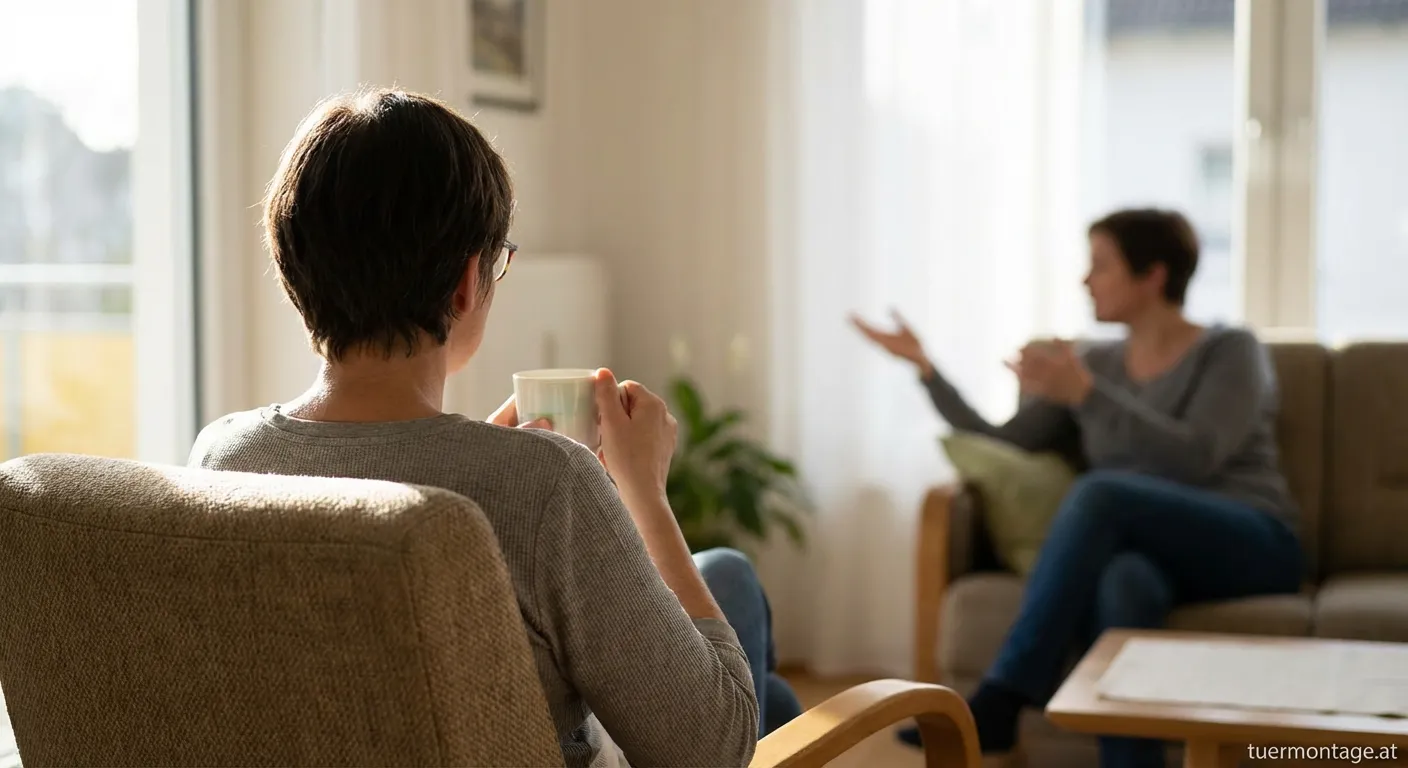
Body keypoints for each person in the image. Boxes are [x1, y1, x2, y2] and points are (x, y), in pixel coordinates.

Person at [187, 87, 800, 768]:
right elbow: (712, 750)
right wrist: (646, 495)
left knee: (741, 615)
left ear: (290, 265)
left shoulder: (224, 456)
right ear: (464, 282)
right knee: (737, 596)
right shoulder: (547, 482)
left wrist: (466, 476)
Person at [853, 209, 1305, 768]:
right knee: (1123, 583)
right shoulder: (1097, 363)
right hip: (1157, 557)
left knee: (1101, 493)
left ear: (1152, 276)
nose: (1085, 280)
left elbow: (1195, 457)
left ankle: (1005, 694)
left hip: (1254, 541)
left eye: (1101, 265)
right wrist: (926, 368)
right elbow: (1003, 441)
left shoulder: (1230, 349)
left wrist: (1088, 396)